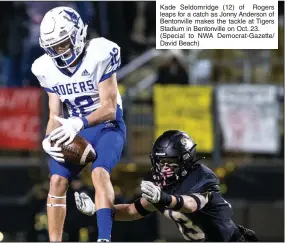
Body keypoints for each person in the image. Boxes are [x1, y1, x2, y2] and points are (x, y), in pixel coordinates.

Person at [31, 6, 126, 242]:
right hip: (74, 128)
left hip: (106, 126)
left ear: (78, 34)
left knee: (100, 172)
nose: (58, 52)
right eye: (53, 47)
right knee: (56, 181)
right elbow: (54, 114)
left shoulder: (100, 53)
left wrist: (78, 122)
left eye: (63, 44)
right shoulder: (45, 68)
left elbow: (109, 108)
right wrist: (48, 139)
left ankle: (104, 238)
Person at [75, 130, 258, 242]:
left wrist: (163, 198)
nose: (164, 168)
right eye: (160, 162)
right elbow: (133, 211)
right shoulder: (162, 183)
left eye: (170, 162)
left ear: (185, 160)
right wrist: (99, 210)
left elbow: (191, 204)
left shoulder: (201, 176)